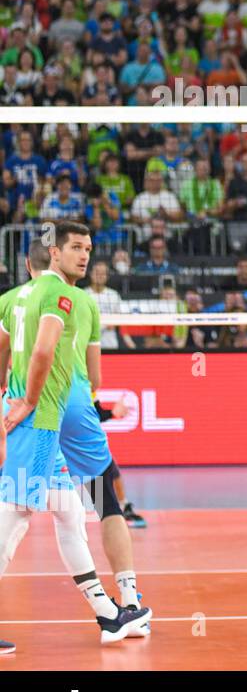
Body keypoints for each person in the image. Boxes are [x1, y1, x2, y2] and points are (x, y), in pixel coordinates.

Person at [0, 222, 151, 646]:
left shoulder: (11, 299)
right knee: (13, 521)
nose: (85, 256)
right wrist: (29, 400)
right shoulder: (66, 296)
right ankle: (122, 599)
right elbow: (49, 352)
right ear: (51, 255)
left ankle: (109, 614)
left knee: (68, 511)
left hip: (37, 418)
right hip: (42, 416)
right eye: (77, 248)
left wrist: (5, 398)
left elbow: (2, 350)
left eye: (88, 248)